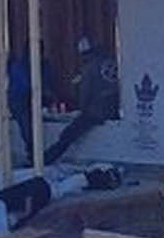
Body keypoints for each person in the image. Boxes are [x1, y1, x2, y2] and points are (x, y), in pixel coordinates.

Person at [45, 36, 119, 164]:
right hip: (114, 107)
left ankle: (47, 159)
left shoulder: (88, 68)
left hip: (97, 110)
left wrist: (81, 109)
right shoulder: (110, 61)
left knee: (68, 134)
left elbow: (85, 93)